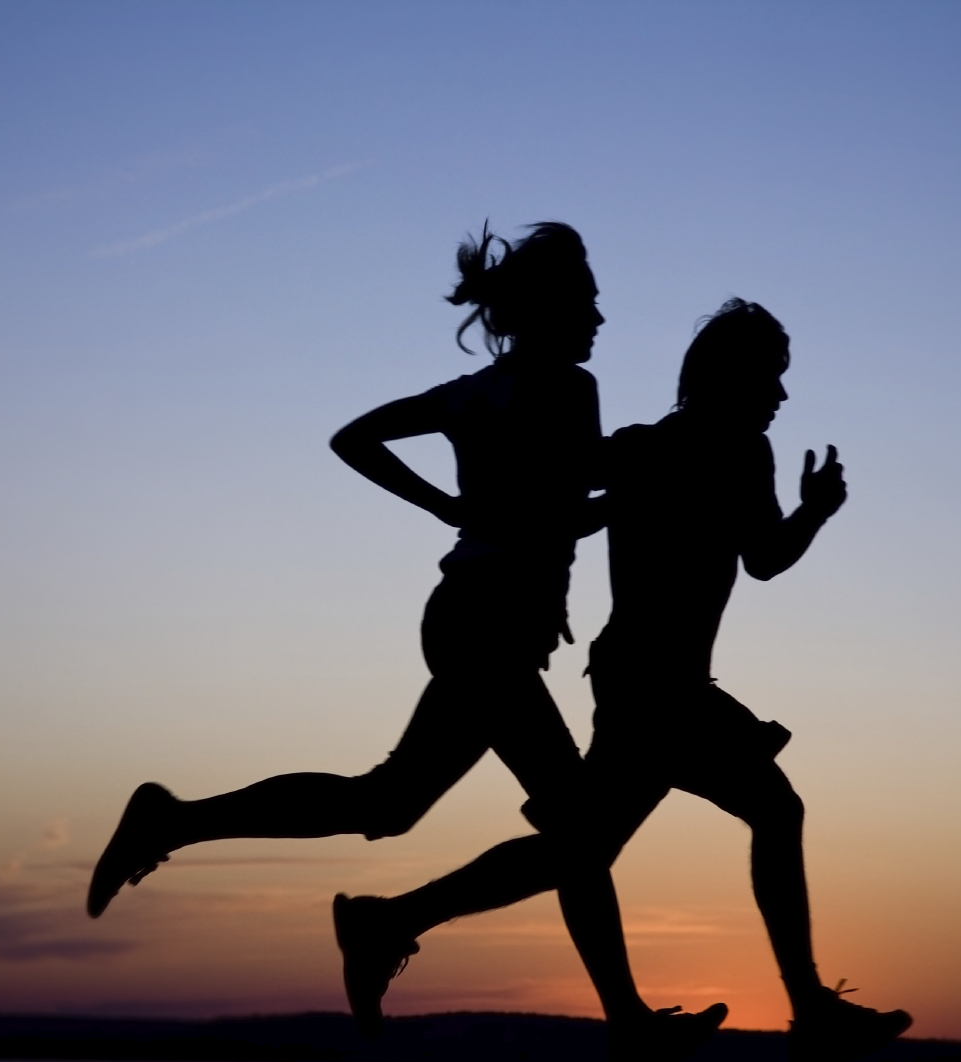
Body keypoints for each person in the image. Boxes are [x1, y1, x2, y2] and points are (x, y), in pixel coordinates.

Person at [331, 299, 913, 1062]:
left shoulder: (727, 450)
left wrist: (812, 510)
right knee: (768, 810)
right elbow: (559, 487)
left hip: (656, 683)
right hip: (651, 687)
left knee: (579, 849)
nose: (780, 394)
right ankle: (809, 1011)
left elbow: (762, 556)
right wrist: (483, 500)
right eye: (770, 377)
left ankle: (391, 920)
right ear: (728, 377)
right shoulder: (663, 448)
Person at [87, 222, 611, 948]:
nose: (599, 319)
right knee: (581, 822)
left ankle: (178, 823)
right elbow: (571, 504)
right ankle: (388, 924)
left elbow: (355, 438)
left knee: (389, 803)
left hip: (465, 614)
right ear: (551, 310)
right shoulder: (571, 388)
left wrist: (448, 506)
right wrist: (655, 479)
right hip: (492, 624)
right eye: (588, 303)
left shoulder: (469, 395)